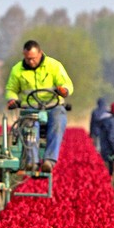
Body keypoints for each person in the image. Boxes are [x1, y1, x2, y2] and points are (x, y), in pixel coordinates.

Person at [5, 40, 74, 172]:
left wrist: (64, 90)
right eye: (28, 58)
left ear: (40, 53)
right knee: (30, 126)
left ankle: (49, 160)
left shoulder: (54, 66)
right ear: (23, 55)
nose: (31, 62)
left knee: (59, 121)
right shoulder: (17, 70)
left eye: (33, 58)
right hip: (30, 107)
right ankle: (32, 161)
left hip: (53, 106)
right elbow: (11, 89)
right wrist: (12, 99)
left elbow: (67, 84)